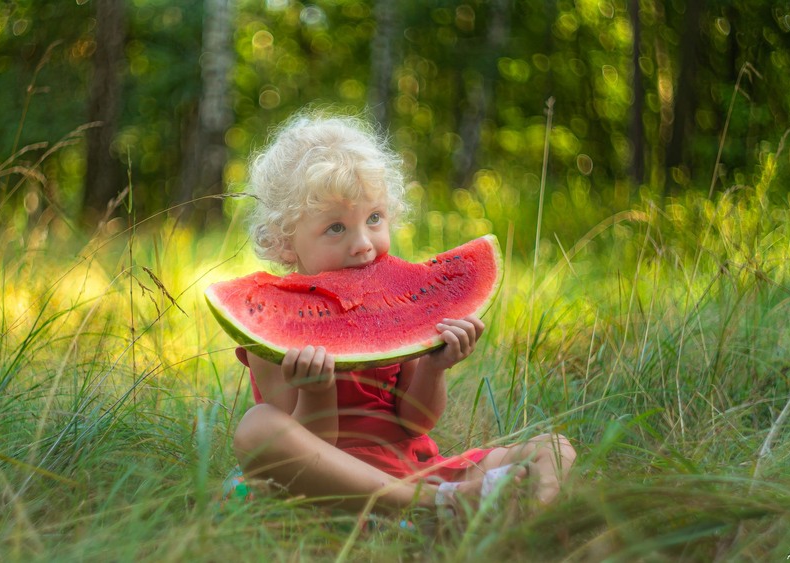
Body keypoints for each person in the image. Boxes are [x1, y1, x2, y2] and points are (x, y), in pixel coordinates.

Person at [229, 111, 575, 519]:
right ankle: (438, 506)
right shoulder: (270, 331)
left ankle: (510, 519)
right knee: (257, 428)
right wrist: (316, 390)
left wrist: (435, 367)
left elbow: (416, 423)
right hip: (329, 485)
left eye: (374, 218)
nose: (363, 244)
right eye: (336, 228)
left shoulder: (400, 305)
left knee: (554, 449)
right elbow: (311, 445)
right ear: (285, 242)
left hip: (414, 468)